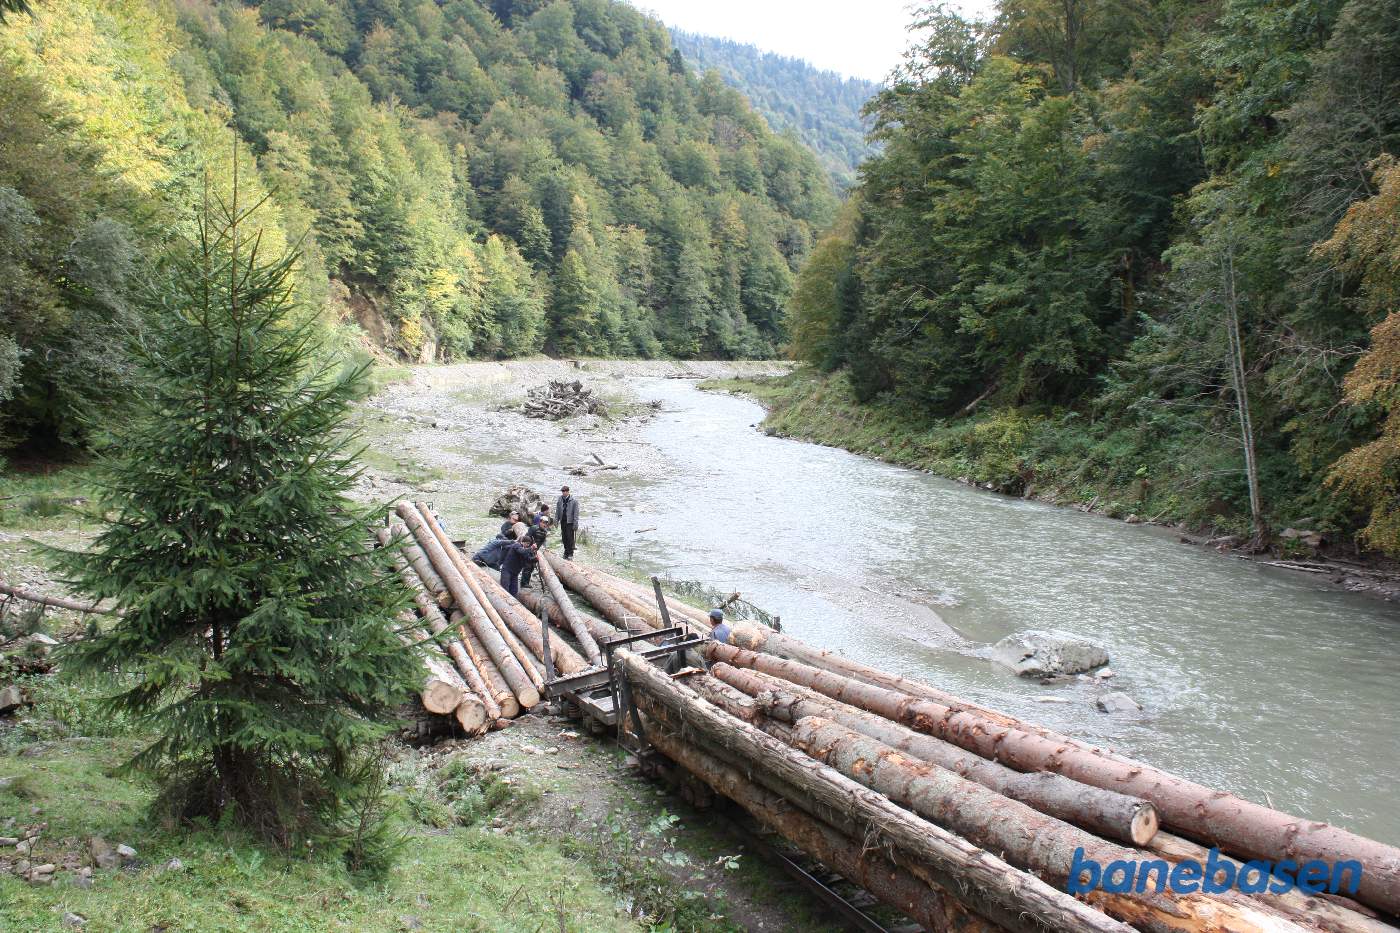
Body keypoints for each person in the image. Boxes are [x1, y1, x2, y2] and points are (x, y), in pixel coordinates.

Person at [520, 524, 548, 588]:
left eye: (545, 524)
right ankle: (524, 583)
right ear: (540, 522)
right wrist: (529, 547)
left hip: (534, 550)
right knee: (527, 566)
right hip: (529, 549)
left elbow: (542, 541)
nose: (544, 525)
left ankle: (526, 582)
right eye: (543, 523)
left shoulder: (544, 532)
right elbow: (527, 537)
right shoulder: (533, 528)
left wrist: (537, 549)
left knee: (532, 566)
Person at [555, 485, 579, 560]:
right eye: (562, 491)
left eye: (565, 491)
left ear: (568, 492)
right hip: (563, 521)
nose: (563, 493)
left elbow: (576, 513)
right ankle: (566, 551)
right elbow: (557, 511)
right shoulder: (560, 499)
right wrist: (556, 520)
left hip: (570, 522)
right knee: (564, 537)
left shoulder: (574, 501)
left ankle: (570, 553)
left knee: (570, 538)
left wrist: (575, 524)